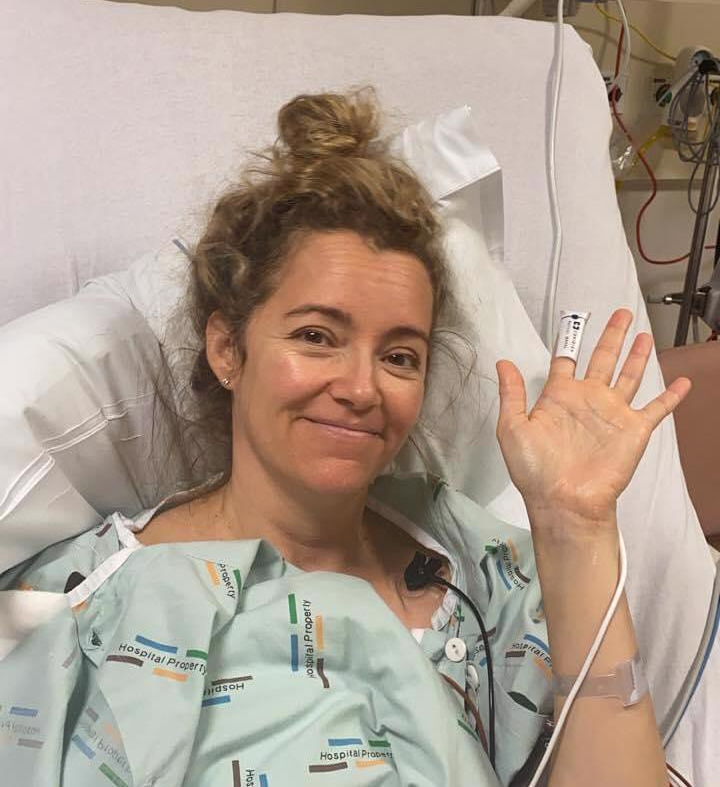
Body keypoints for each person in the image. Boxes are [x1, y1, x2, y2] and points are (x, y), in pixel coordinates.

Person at [0, 89, 690, 787]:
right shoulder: (81, 603)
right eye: (316, 336)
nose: (362, 388)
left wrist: (576, 525)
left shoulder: (483, 569)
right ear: (228, 349)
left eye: (400, 356)